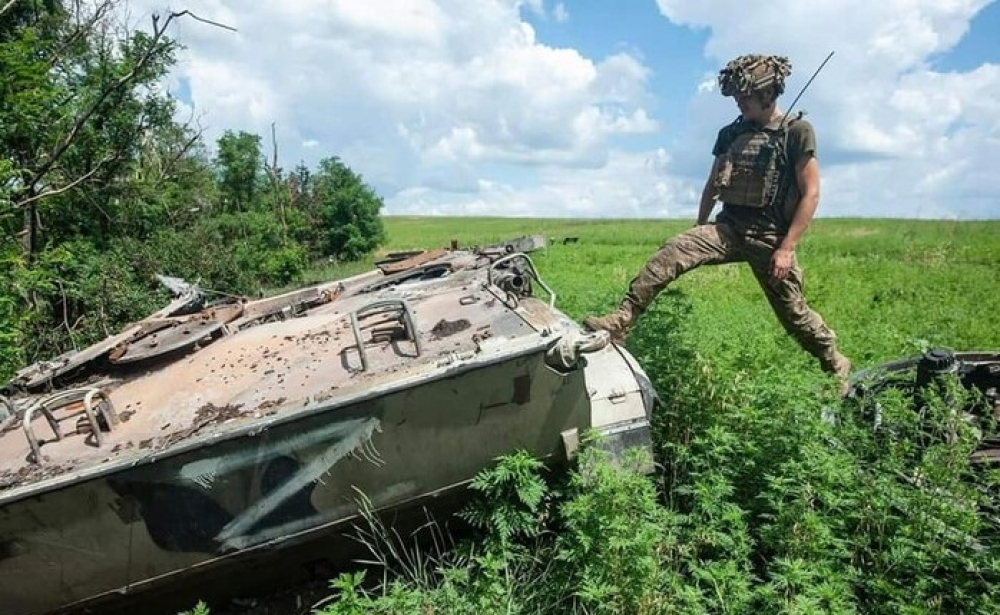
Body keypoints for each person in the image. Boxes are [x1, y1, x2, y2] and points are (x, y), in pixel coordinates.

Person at [583, 54, 851, 382]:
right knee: (672, 251)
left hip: (769, 238)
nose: (739, 102)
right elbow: (712, 184)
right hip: (729, 228)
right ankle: (621, 321)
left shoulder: (796, 132)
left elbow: (810, 193)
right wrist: (698, 228)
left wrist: (787, 247)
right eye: (736, 97)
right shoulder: (730, 134)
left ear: (768, 94)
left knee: (793, 314)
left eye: (745, 96)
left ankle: (835, 363)